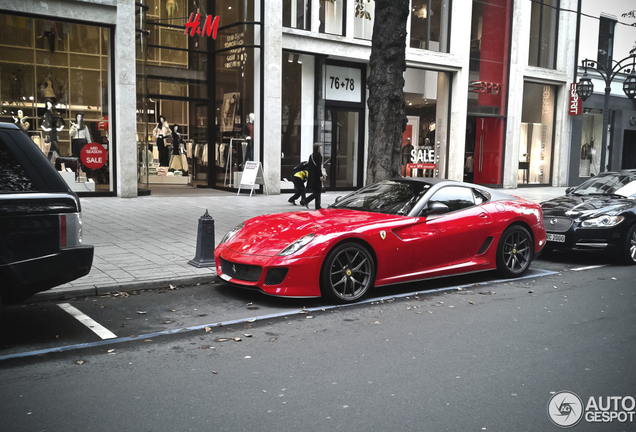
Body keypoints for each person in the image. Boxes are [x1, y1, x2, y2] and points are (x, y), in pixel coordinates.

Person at [304, 142, 324, 210]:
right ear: (318, 148)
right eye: (320, 147)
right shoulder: (318, 156)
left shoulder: (311, 155)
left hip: (312, 175)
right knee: (318, 191)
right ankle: (306, 200)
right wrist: (320, 175)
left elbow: (309, 166)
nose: (321, 148)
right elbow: (318, 167)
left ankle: (317, 205)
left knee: (317, 190)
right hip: (317, 175)